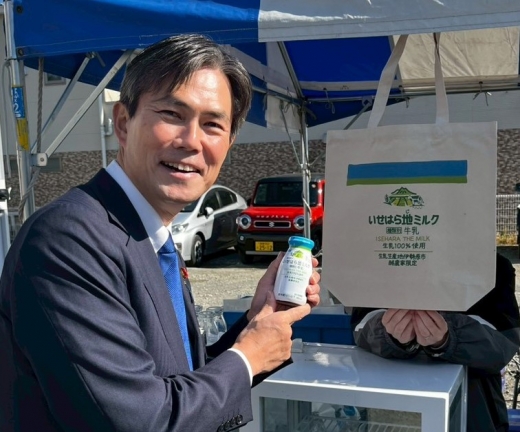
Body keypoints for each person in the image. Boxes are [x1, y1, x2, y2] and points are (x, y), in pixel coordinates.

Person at [0, 34, 321, 432]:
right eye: (172, 114)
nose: (191, 141)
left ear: (229, 143)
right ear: (123, 123)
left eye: (213, 125)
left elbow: (179, 379)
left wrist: (257, 322)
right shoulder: (67, 239)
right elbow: (141, 420)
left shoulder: (152, 235)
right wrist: (248, 357)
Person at [351, 253, 520, 432]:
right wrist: (387, 332)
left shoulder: (492, 264)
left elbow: (504, 344)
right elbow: (360, 328)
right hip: (390, 411)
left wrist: (450, 337)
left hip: (473, 410)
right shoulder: (377, 259)